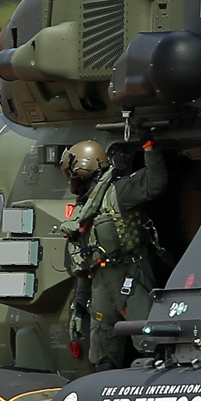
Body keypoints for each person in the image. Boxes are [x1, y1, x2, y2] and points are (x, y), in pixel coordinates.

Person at [60, 134, 169, 371]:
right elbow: (84, 264)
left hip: (130, 273)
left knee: (148, 337)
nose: (71, 181)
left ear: (84, 168)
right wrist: (79, 305)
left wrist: (149, 147)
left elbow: (155, 182)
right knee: (101, 346)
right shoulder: (84, 209)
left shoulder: (118, 192)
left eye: (72, 174)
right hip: (100, 279)